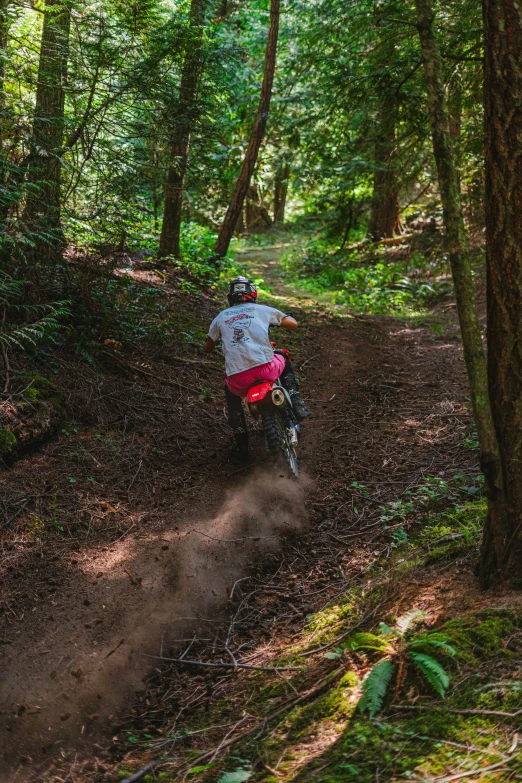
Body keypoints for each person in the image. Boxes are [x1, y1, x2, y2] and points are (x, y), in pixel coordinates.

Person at [204, 276, 311, 458]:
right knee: (283, 355)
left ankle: (241, 441)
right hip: (265, 369)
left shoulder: (220, 317)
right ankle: (297, 403)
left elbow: (207, 347)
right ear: (252, 292)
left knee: (231, 395)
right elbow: (293, 325)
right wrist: (288, 317)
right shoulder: (262, 310)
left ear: (230, 296)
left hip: (238, 380)